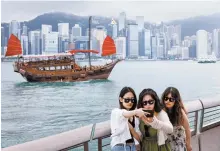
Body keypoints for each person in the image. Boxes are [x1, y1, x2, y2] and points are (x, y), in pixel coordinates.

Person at [110, 87, 145, 151]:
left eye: (132, 100)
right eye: (127, 100)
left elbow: (138, 138)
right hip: (119, 147)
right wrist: (136, 111)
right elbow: (124, 113)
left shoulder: (135, 118)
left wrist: (131, 129)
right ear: (121, 99)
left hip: (132, 147)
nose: (130, 102)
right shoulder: (116, 112)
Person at [161, 87, 192, 151]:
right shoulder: (161, 110)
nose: (167, 101)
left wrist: (188, 145)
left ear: (176, 100)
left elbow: (187, 129)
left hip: (177, 142)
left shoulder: (180, 113)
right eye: (166, 98)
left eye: (171, 99)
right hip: (166, 141)